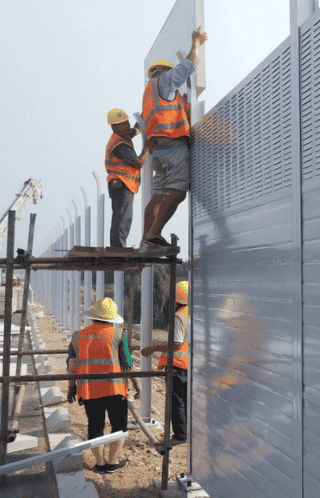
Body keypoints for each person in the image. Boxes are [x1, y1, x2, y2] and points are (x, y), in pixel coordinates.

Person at [137, 26, 207, 255]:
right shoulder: (164, 82)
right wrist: (196, 42)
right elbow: (190, 64)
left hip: (158, 152)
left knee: (159, 194)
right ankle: (153, 235)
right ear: (163, 71)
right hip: (172, 148)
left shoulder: (148, 92)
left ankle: (146, 239)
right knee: (177, 192)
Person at [67, 297, 141, 473]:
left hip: (89, 390)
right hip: (114, 389)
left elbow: (72, 366)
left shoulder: (78, 336)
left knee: (95, 425)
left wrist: (71, 387)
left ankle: (100, 463)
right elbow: (127, 366)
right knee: (118, 425)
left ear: (93, 317)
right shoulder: (118, 335)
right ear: (111, 320)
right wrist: (137, 385)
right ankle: (113, 461)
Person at [141, 280, 190, 444]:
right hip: (189, 365)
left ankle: (180, 436)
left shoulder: (179, 316)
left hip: (176, 364)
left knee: (176, 401)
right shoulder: (192, 312)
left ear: (175, 299)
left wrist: (153, 349)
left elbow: (176, 344)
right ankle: (188, 432)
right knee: (186, 399)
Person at [105, 109, 149, 248]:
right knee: (123, 218)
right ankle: (118, 248)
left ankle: (117, 247)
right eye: (123, 124)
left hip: (121, 184)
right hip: (121, 184)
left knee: (121, 217)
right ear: (114, 127)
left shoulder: (123, 136)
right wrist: (148, 146)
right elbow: (138, 163)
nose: (127, 126)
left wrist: (144, 115)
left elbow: (136, 129)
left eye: (127, 122)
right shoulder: (120, 145)